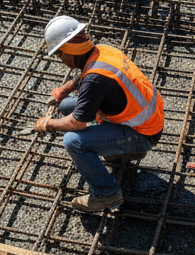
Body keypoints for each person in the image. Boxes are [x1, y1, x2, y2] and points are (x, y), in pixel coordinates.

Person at [34, 15, 164, 213]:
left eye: (60, 55)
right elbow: (87, 76)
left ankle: (107, 194)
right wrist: (64, 90)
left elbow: (77, 122)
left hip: (143, 132)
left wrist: (48, 123)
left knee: (72, 140)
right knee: (67, 105)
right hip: (145, 117)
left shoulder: (95, 80)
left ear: (69, 50)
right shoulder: (102, 50)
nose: (61, 60)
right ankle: (120, 151)